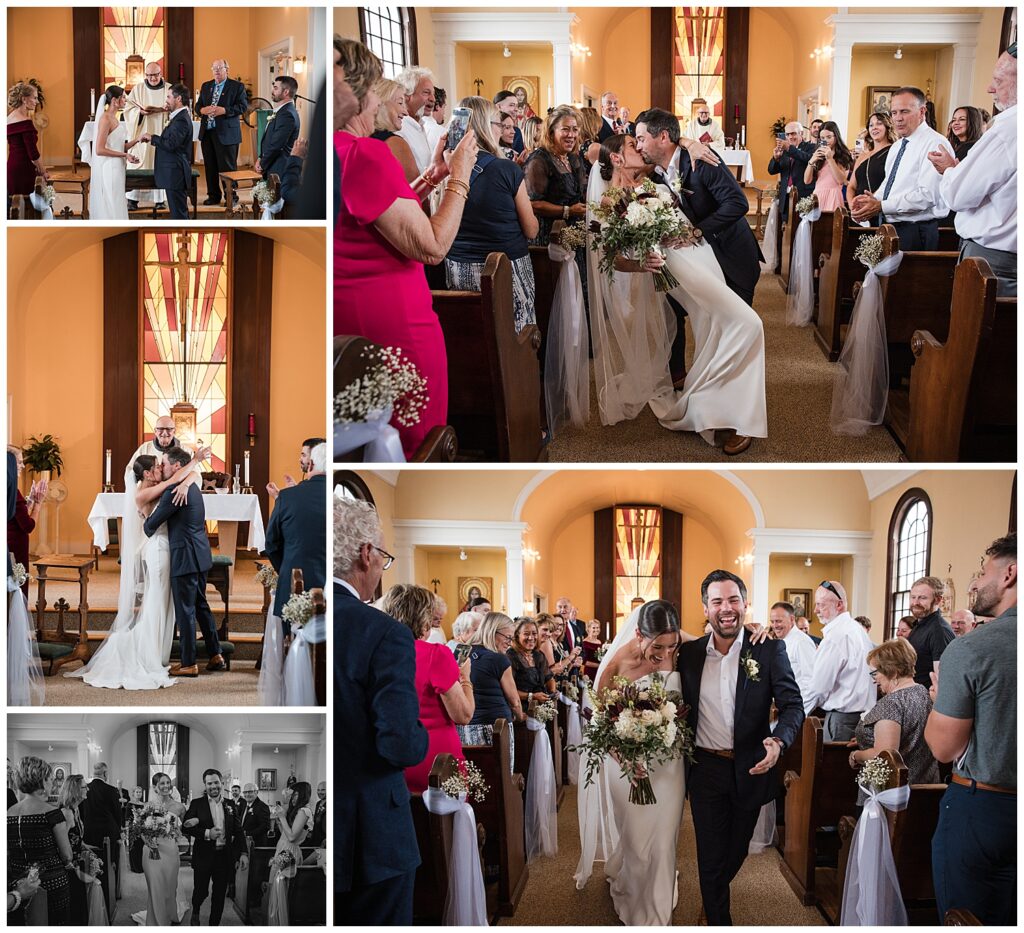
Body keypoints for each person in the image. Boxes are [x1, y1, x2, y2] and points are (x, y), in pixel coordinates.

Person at [334, 38, 478, 460]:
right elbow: (432, 247)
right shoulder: (366, 153)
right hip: (394, 324)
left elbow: (379, 215)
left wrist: (433, 176)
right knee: (415, 437)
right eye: (388, 93)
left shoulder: (337, 151)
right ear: (364, 96)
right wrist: (461, 176)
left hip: (351, 320)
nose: (398, 106)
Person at [595, 128, 766, 455]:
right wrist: (642, 262)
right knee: (747, 323)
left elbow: (670, 149)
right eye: (633, 145)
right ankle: (740, 417)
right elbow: (614, 258)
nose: (640, 148)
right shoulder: (610, 200)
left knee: (716, 329)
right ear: (617, 158)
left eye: (640, 141)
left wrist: (688, 142)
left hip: (703, 257)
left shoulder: (648, 180)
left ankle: (714, 407)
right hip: (679, 267)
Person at [678, 574, 804, 926]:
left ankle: (712, 896)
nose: (726, 609)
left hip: (752, 765)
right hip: (704, 767)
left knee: (737, 849)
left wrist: (779, 741)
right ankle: (718, 918)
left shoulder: (767, 648)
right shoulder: (687, 655)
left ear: (745, 604)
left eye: (733, 600)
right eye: (717, 602)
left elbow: (794, 705)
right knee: (711, 854)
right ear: (706, 609)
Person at [335, 496, 428, 924]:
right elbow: (400, 744)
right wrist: (422, 733)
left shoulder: (294, 614)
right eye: (384, 558)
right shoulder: (383, 632)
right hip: (371, 831)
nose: (380, 570)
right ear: (366, 553)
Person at [574, 600, 686, 924]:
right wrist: (627, 762)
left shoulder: (675, 648)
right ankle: (633, 886)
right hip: (624, 762)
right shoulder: (615, 666)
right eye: (658, 646)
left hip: (669, 762)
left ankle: (656, 906)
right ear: (639, 633)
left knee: (665, 835)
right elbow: (602, 723)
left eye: (671, 645)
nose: (665, 654)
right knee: (637, 838)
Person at [926, 533, 1015, 925]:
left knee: (967, 916)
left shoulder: (974, 647)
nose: (976, 582)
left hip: (987, 808)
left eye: (983, 571)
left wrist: (938, 699)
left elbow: (943, 748)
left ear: (1011, 573)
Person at [65, 447, 209, 689]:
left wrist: (191, 477)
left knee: (163, 601)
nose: (161, 468)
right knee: (158, 600)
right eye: (156, 467)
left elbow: (182, 478)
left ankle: (159, 652)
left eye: (161, 465)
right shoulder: (144, 493)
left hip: (167, 548)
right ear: (147, 474)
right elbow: (175, 480)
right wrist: (194, 462)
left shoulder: (158, 484)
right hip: (159, 549)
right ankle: (150, 653)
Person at [444, 96, 538, 334]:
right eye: (498, 124)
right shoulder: (506, 168)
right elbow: (531, 229)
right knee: (516, 337)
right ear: (485, 127)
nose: (502, 130)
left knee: (471, 335)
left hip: (458, 267)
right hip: (506, 268)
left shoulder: (448, 166)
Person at [928, 47, 1016, 297]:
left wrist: (949, 170)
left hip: (994, 260)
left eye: (998, 80)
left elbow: (959, 196)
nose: (990, 88)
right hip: (1007, 256)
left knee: (978, 333)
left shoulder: (1007, 131)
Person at [143, 446, 226, 676]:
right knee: (201, 605)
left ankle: (188, 663)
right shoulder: (193, 488)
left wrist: (143, 514)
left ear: (177, 466)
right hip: (200, 553)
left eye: (165, 464)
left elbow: (151, 526)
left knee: (185, 610)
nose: (163, 467)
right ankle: (215, 653)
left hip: (184, 556)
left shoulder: (174, 493)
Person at [383, 584, 472, 792]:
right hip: (434, 757)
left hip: (390, 754)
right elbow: (463, 715)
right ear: (424, 618)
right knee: (445, 820)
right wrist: (465, 677)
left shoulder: (377, 651)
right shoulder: (436, 654)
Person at [849, 85, 956, 248]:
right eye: (894, 112)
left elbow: (928, 196)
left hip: (916, 231)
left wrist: (880, 206)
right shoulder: (897, 146)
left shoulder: (934, 143)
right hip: (891, 226)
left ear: (922, 111)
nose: (898, 118)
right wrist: (871, 201)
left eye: (904, 111)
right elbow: (890, 184)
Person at [849, 639, 939, 784]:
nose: (873, 680)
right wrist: (867, 736)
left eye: (875, 673)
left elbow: (885, 754)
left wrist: (856, 756)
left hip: (894, 790)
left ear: (892, 671)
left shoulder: (891, 702)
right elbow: (911, 732)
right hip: (925, 781)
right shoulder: (922, 692)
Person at [262, 441, 327, 628]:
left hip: (294, 589)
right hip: (331, 593)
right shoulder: (338, 497)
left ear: (312, 464)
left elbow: (271, 544)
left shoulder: (287, 496)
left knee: (289, 645)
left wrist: (287, 569)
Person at [802, 580, 875, 741]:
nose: (815, 610)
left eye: (821, 605)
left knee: (833, 765)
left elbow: (818, 688)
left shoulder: (836, 636)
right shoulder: (857, 629)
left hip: (843, 720)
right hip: (864, 717)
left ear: (839, 605)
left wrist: (796, 715)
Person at [8, 756, 72, 925]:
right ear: (43, 781)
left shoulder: (8, 813)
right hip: (50, 882)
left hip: (17, 883)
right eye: (50, 779)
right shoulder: (51, 813)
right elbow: (67, 856)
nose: (51, 783)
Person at [183, 768, 241, 926]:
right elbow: (185, 827)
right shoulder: (197, 804)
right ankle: (196, 910)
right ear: (205, 785)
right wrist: (207, 833)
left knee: (219, 894)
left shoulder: (230, 804)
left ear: (221, 783)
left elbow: (238, 830)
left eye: (216, 782)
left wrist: (243, 853)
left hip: (223, 857)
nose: (213, 786)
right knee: (201, 891)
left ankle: (214, 924)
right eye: (209, 783)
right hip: (203, 856)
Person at [195, 60, 248, 207]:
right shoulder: (206, 86)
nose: (217, 70)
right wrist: (201, 110)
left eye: (220, 68)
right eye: (214, 68)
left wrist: (224, 110)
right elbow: (198, 106)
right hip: (208, 133)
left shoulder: (237, 86)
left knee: (228, 168)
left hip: (227, 134)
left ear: (227, 69)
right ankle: (213, 196)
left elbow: (243, 107)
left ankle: (232, 197)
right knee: (210, 167)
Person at [86, 85, 143, 219]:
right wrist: (125, 155)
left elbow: (119, 147)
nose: (125, 100)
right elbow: (99, 150)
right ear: (114, 101)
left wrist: (137, 140)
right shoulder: (105, 119)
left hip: (118, 166)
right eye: (123, 97)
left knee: (117, 200)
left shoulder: (115, 118)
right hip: (110, 167)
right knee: (111, 201)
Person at [136, 772, 185, 926]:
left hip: (170, 851)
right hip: (151, 852)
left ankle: (169, 915)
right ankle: (157, 921)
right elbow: (140, 830)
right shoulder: (148, 806)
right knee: (155, 888)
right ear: (155, 787)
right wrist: (148, 841)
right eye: (161, 783)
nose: (165, 786)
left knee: (170, 888)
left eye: (167, 783)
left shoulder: (179, 807)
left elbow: (180, 832)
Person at [140, 82, 195, 220]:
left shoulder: (181, 120)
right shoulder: (178, 117)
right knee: (178, 212)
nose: (166, 100)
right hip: (173, 172)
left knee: (179, 215)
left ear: (178, 99)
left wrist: (152, 137)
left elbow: (171, 144)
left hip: (175, 173)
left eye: (169, 97)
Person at [466, 612, 526, 731]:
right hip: (496, 726)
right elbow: (514, 701)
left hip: (467, 724)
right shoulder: (499, 659)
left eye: (512, 639)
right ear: (493, 631)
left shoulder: (464, 653)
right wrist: (521, 717)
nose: (510, 643)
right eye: (508, 637)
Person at [265, 781, 314, 925]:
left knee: (281, 892)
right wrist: (279, 821)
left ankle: (280, 923)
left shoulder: (304, 811)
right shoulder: (297, 811)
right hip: (282, 848)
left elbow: (292, 837)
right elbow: (285, 834)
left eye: (297, 794)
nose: (293, 798)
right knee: (274, 888)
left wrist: (281, 817)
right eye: (292, 795)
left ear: (304, 795)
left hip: (289, 853)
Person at [124, 61, 169, 207]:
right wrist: (140, 113)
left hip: (162, 132)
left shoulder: (169, 88)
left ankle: (159, 200)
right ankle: (133, 199)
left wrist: (166, 109)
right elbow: (128, 109)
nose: (152, 79)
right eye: (149, 76)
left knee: (160, 164)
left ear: (160, 73)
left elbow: (177, 107)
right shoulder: (138, 89)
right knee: (139, 164)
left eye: (155, 75)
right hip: (142, 132)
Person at [80, 761, 123, 908]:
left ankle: (95, 893)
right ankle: (112, 895)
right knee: (111, 861)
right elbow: (118, 813)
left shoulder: (85, 789)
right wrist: (119, 829)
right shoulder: (111, 790)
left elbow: (81, 812)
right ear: (105, 773)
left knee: (92, 860)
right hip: (109, 832)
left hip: (89, 833)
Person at [57, 775, 98, 924]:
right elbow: (61, 844)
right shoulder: (66, 812)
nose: (87, 789)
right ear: (74, 790)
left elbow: (76, 838)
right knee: (75, 906)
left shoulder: (76, 809)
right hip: (69, 867)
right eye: (84, 787)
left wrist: (90, 850)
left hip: (77, 861)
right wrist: (73, 867)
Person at [6, 446, 45, 598]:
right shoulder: (13, 490)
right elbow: (28, 526)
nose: (22, 466)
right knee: (17, 586)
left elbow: (12, 513)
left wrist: (27, 503)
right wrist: (38, 503)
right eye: (19, 462)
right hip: (15, 545)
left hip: (9, 541)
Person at [905, 575, 955, 687]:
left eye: (922, 598)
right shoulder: (919, 624)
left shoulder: (939, 630)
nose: (915, 602)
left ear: (938, 600)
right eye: (913, 597)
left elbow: (942, 679)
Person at [770, 601, 817, 712]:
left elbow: (811, 681)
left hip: (797, 708)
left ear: (791, 619)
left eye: (779, 621)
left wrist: (798, 712)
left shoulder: (801, 642)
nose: (775, 625)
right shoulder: (783, 641)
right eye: (772, 622)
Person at [370, 77, 419, 184]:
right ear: (381, 103)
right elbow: (416, 194)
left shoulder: (359, 138)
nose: (406, 112)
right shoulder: (394, 143)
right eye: (400, 103)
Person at [7, 81, 48, 201]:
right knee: (33, 205)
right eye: (34, 98)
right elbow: (33, 153)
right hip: (24, 170)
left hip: (11, 168)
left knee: (15, 205)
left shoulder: (8, 119)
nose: (37, 101)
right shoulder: (26, 122)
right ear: (24, 99)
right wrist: (43, 171)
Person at [256, 75, 300, 185]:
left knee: (275, 201)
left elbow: (277, 145)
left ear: (286, 92)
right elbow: (270, 138)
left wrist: (263, 163)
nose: (272, 91)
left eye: (276, 88)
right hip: (272, 162)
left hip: (279, 166)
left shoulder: (287, 114)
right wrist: (261, 157)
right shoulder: (282, 111)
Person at [847, 111, 896, 206]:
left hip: (879, 206)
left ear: (887, 127)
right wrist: (852, 205)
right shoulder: (862, 156)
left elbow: (890, 183)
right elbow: (851, 186)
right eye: (871, 125)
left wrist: (867, 204)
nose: (874, 127)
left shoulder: (893, 151)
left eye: (879, 123)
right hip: (857, 210)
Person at [802, 119, 853, 211]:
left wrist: (830, 159)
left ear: (836, 137)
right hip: (817, 195)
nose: (825, 140)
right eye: (822, 138)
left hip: (833, 196)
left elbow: (841, 180)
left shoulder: (843, 155)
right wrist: (811, 161)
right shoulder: (818, 154)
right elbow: (807, 180)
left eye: (829, 137)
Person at [507, 617, 556, 707]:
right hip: (520, 708)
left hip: (541, 707)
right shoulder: (510, 656)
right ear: (517, 635)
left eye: (534, 633)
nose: (531, 638)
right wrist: (532, 696)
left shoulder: (539, 655)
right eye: (526, 634)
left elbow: (549, 678)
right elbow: (508, 690)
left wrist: (552, 693)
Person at [767, 121, 816, 207]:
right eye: (787, 134)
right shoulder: (784, 150)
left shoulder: (811, 147)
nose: (790, 137)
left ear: (801, 133)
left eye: (793, 134)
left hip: (803, 195)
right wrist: (776, 158)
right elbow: (771, 171)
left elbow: (807, 159)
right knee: (785, 220)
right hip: (785, 196)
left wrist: (789, 148)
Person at [395, 66, 435, 172]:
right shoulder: (400, 129)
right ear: (406, 95)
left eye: (433, 94)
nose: (433, 99)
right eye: (426, 93)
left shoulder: (419, 125)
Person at [234, 782, 271, 847]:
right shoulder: (244, 804)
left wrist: (247, 833)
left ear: (256, 792)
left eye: (250, 792)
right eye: (245, 792)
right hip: (244, 843)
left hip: (256, 844)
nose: (247, 794)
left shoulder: (262, 806)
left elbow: (265, 827)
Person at [580, 618, 604, 682]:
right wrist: (599, 666)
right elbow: (584, 661)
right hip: (590, 672)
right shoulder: (585, 643)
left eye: (597, 627)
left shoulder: (599, 642)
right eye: (593, 628)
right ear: (588, 629)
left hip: (599, 671)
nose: (596, 630)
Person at [424, 86, 447, 152]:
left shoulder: (417, 128)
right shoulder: (442, 133)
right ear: (437, 107)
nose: (444, 112)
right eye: (444, 107)